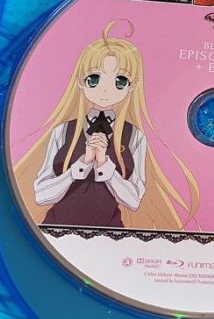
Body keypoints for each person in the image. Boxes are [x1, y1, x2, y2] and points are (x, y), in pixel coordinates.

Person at [12, 21, 198, 231]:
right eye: (94, 79)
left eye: (120, 81)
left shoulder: (134, 136)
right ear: (80, 81)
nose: (106, 90)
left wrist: (104, 164)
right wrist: (82, 164)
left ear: (132, 87)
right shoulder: (62, 132)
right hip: (55, 230)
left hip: (109, 234)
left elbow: (134, 200)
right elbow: (40, 195)